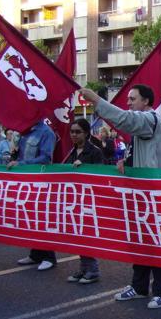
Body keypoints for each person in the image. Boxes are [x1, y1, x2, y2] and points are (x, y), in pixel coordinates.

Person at [79, 84, 161, 310]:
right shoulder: (143, 126)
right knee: (139, 242)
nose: (128, 102)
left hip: (153, 196)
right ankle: (139, 287)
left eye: (133, 98)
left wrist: (97, 101)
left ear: (146, 102)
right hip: (139, 195)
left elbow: (125, 120)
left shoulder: (151, 119)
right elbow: (140, 152)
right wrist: (126, 163)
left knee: (157, 244)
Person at [11, 120, 57, 271]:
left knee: (41, 217)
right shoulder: (25, 132)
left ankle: (49, 256)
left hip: (39, 180)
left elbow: (45, 158)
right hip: (26, 181)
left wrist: (22, 164)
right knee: (30, 216)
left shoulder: (46, 132)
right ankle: (35, 253)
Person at [64, 119, 104, 284]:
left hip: (89, 201)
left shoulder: (95, 151)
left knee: (87, 234)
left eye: (78, 131)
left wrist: (86, 167)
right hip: (74, 200)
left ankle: (93, 270)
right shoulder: (70, 152)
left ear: (86, 133)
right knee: (78, 235)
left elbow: (102, 173)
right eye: (72, 131)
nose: (74, 134)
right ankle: (83, 268)